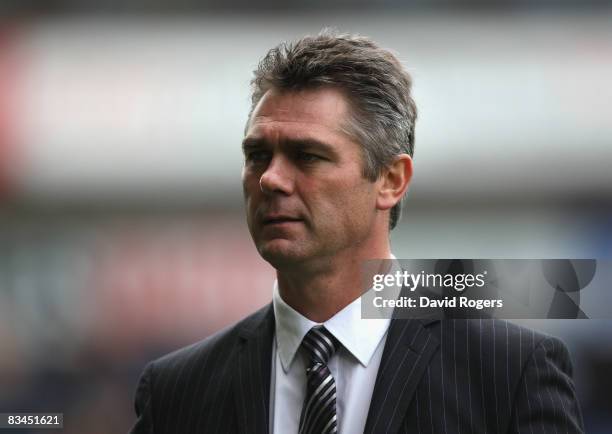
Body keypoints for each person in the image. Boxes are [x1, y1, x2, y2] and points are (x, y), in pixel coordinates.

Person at [129, 31, 584, 434]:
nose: (270, 179)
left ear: (390, 180)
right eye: (257, 155)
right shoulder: (177, 390)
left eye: (307, 156)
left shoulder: (509, 373)